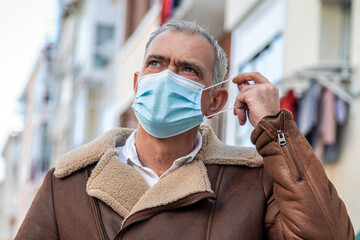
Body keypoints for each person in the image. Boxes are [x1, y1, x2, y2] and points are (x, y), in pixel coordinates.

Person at [15, 20, 354, 240]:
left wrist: (275, 130)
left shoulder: (252, 183)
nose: (166, 76)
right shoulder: (69, 185)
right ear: (137, 84)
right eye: (156, 63)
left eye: (188, 70)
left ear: (215, 101)